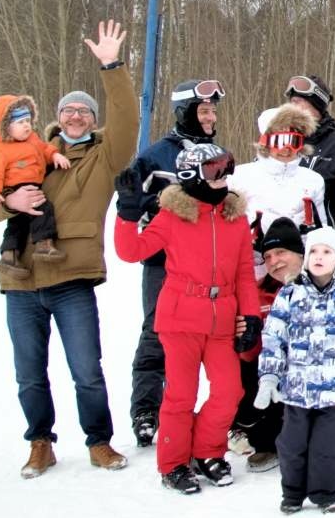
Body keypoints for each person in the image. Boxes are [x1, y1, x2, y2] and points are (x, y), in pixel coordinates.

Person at [0, 20, 134, 479]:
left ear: (93, 119)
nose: (75, 116)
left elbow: (126, 120)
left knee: (87, 369)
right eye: (68, 109)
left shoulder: (104, 157)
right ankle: (40, 444)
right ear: (57, 115)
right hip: (22, 280)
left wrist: (111, 67)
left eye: (84, 111)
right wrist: (7, 202)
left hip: (71, 277)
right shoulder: (26, 150)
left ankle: (99, 442)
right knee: (29, 373)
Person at [112, 141, 263, 495]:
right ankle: (173, 462)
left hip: (222, 318)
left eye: (227, 166)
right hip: (181, 318)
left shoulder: (235, 216)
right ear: (191, 175)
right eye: (214, 169)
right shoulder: (173, 216)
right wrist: (127, 211)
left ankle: (207, 451)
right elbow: (131, 251)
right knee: (181, 395)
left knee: (229, 391)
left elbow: (244, 272)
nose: (223, 175)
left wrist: (251, 316)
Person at [115, 76, 225, 449]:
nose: (211, 118)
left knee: (209, 336)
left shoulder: (217, 153)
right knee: (156, 332)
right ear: (185, 112)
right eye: (204, 111)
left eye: (212, 111)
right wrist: (150, 206)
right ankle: (146, 409)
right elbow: (136, 202)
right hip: (163, 262)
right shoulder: (155, 156)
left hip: (205, 263)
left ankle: (209, 410)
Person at [254, 222, 335, 514]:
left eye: (327, 252)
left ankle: (326, 494)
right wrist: (269, 378)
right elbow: (274, 338)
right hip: (296, 390)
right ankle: (292, 493)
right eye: (313, 251)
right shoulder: (290, 293)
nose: (319, 257)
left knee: (327, 447)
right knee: (291, 445)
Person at [229, 218, 306, 474]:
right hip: (276, 380)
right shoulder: (257, 294)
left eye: (281, 252)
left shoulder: (331, 282)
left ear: (300, 253)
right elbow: (249, 357)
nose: (274, 261)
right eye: (268, 256)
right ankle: (265, 438)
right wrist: (245, 339)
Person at [0, 94, 71, 278]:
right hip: (14, 188)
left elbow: (44, 149)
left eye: (28, 121)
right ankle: (44, 244)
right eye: (20, 122)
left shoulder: (32, 139)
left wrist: (54, 155)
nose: (26, 126)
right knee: (43, 209)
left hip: (31, 185)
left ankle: (9, 256)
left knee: (18, 224)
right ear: (5, 126)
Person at [231, 103, 327, 271]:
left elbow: (322, 231)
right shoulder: (240, 177)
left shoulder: (312, 181)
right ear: (265, 142)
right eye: (280, 141)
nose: (287, 149)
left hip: (298, 269)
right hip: (253, 268)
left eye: (294, 141)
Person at [282, 74, 335, 241]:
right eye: (291, 102)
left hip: (327, 244)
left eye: (299, 102)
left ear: (316, 105)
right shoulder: (281, 144)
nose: (292, 108)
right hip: (287, 242)